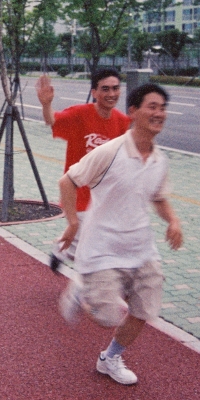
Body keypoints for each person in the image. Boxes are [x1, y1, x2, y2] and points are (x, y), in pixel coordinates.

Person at [57, 83, 183, 386]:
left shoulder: (159, 159)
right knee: (109, 317)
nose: (159, 113)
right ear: (133, 112)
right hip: (101, 250)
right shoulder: (110, 152)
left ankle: (110, 358)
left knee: (144, 310)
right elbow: (69, 181)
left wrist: (173, 222)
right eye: (152, 107)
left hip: (141, 249)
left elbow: (158, 196)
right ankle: (82, 289)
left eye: (163, 108)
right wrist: (73, 222)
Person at [36, 68, 130, 273]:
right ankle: (81, 280)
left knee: (91, 239)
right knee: (89, 238)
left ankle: (62, 252)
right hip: (78, 191)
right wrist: (47, 104)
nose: (111, 94)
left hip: (105, 194)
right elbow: (52, 120)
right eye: (105, 89)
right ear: (94, 92)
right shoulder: (80, 114)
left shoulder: (122, 122)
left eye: (115, 88)